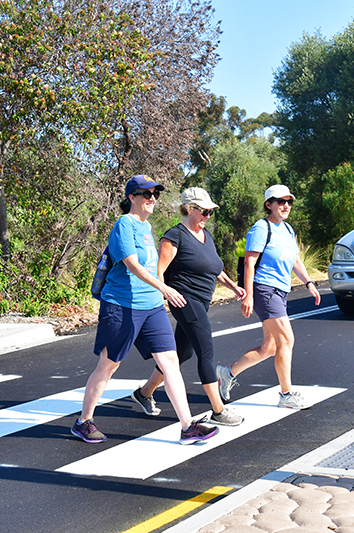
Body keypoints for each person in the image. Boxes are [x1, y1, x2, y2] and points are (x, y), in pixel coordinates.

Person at [71, 175, 219, 446]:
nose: (152, 198)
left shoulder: (147, 226)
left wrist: (158, 291)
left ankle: (187, 426)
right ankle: (84, 421)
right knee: (109, 365)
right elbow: (132, 265)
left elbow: (151, 267)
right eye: (146, 194)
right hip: (122, 305)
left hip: (151, 306)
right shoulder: (124, 225)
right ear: (132, 198)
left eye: (155, 194)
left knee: (170, 362)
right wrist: (164, 288)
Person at [132, 187, 246, 426]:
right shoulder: (174, 236)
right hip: (184, 300)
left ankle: (144, 393)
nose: (207, 216)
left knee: (182, 353)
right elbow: (158, 271)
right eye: (204, 212)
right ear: (191, 209)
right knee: (206, 350)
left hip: (201, 302)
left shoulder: (207, 236)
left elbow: (215, 268)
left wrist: (234, 286)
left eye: (210, 213)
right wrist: (164, 297)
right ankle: (218, 410)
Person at [216, 184, 321, 410]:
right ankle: (286, 394)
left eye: (289, 202)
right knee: (286, 340)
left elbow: (295, 260)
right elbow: (249, 262)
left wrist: (309, 282)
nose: (285, 206)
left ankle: (227, 373)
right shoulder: (261, 228)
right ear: (269, 204)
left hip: (281, 290)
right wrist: (249, 296)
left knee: (269, 347)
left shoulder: (287, 229)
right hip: (265, 289)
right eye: (280, 202)